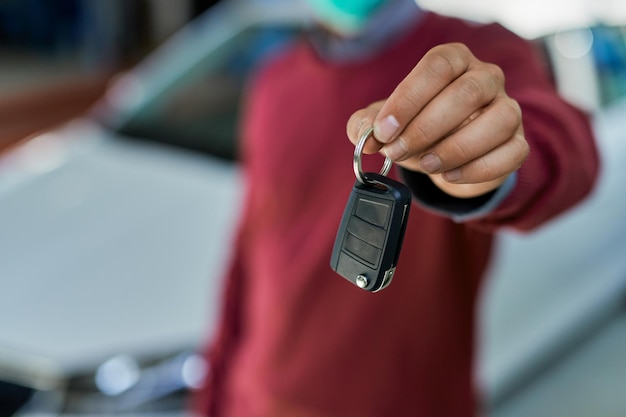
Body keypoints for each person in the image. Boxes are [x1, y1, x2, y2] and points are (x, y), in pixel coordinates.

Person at [196, 0, 600, 416]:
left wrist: (480, 165)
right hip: (254, 400)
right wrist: (213, 398)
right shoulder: (274, 78)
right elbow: (249, 253)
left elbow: (563, 149)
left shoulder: (478, 51)